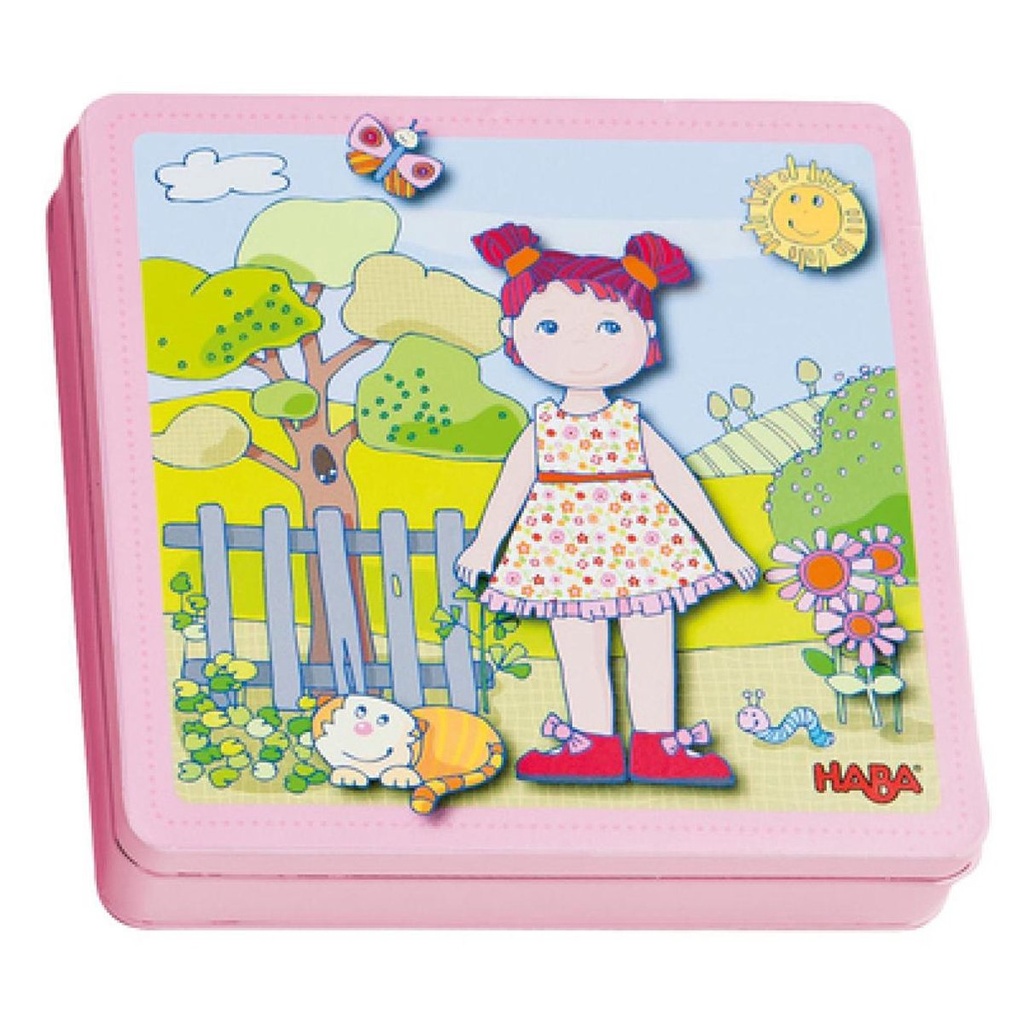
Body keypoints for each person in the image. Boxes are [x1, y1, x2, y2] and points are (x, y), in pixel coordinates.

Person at [456, 223, 758, 786]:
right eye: (550, 327)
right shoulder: (542, 427)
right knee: (578, 649)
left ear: (646, 333)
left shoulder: (631, 423)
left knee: (652, 645)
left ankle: (657, 746)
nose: (581, 347)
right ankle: (592, 744)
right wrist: (484, 545)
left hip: (646, 551)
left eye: (609, 327)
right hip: (561, 557)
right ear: (512, 331)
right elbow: (511, 488)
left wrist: (723, 546)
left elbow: (681, 484)